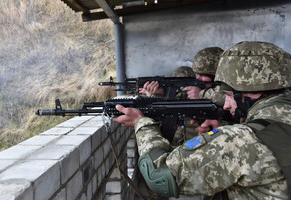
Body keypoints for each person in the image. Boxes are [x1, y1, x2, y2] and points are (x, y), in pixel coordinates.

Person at [113, 41, 291, 199]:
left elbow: (159, 176)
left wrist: (141, 123)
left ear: (254, 92)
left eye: (228, 95)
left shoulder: (241, 141)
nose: (227, 104)